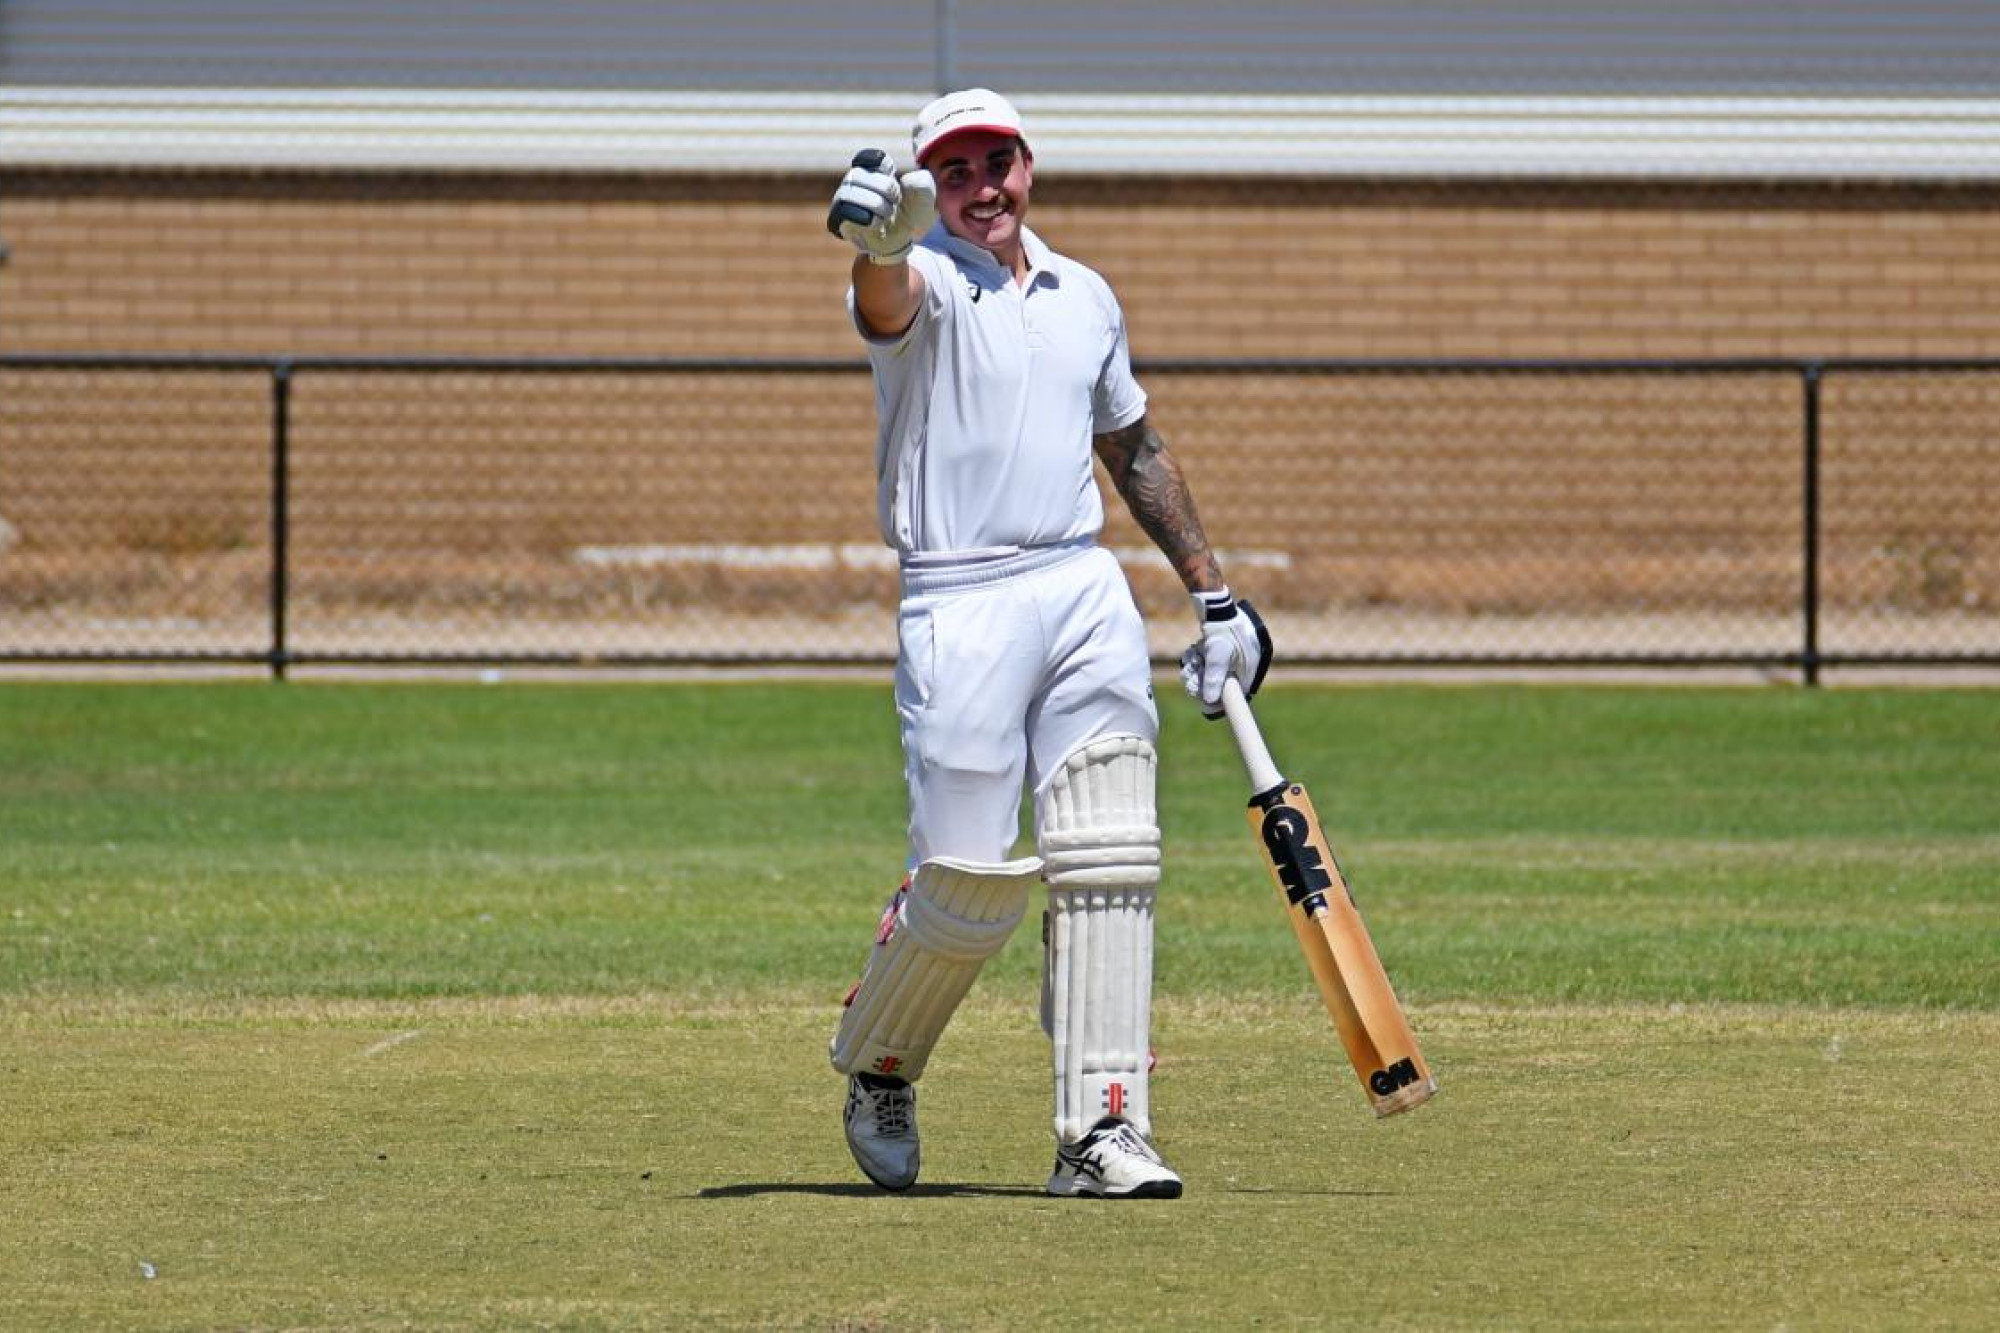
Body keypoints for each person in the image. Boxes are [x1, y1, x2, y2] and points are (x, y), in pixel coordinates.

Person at [824, 89, 1271, 1200]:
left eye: (996, 162)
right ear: (931, 184)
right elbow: (883, 300)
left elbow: (1132, 446)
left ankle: (1100, 1129)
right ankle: (880, 1062)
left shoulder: (1085, 295)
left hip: (1081, 586)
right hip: (959, 598)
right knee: (966, 889)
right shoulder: (921, 277)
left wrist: (1212, 597)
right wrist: (878, 244)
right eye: (956, 170)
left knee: (1109, 859)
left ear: (1028, 165)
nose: (981, 186)